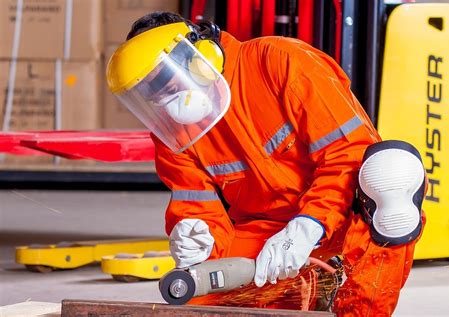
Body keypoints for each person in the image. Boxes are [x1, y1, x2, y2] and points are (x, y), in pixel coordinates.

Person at [106, 12, 426, 316]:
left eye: (167, 83)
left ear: (200, 55)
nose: (165, 99)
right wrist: (194, 236)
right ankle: (315, 285)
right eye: (152, 93)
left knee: (391, 175)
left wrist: (308, 226)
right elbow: (196, 203)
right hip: (268, 231)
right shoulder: (174, 130)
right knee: (200, 291)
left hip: (343, 211)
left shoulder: (280, 62)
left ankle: (356, 313)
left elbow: (347, 155)